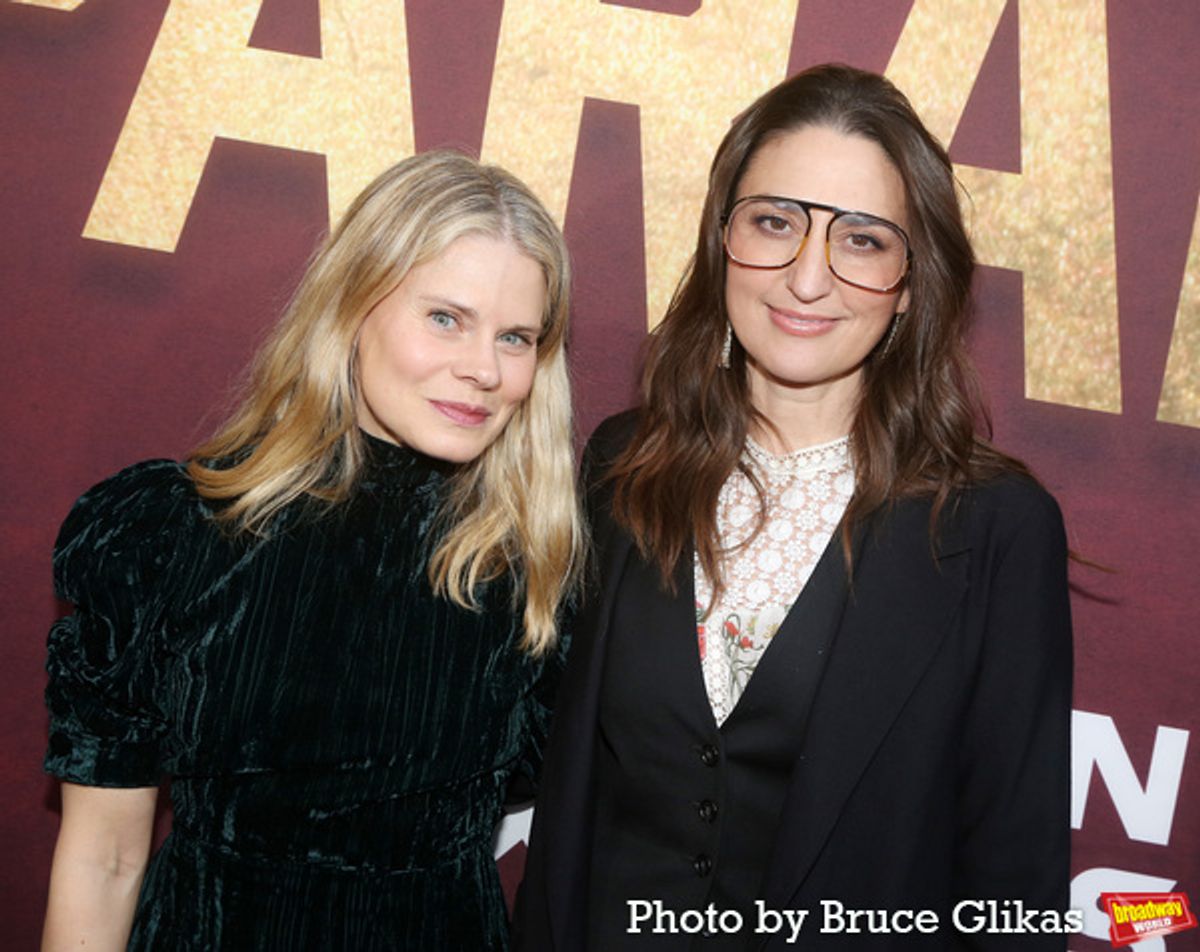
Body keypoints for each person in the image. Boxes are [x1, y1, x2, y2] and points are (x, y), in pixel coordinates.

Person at [513, 64, 1073, 950]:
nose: (807, 279)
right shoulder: (624, 463)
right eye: (774, 222)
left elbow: (1015, 878)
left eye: (861, 240)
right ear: (722, 241)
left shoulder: (995, 530)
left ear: (911, 283)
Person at [41, 151, 583, 951]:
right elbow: (106, 857)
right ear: (351, 306)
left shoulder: (538, 573)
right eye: (446, 318)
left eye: (516, 337)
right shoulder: (168, 534)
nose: (483, 370)